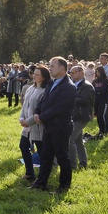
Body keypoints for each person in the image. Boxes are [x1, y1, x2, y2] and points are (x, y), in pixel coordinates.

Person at [30, 57, 76, 193]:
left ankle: (64, 186)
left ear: (62, 68)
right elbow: (43, 100)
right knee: (46, 156)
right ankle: (41, 183)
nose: (49, 68)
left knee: (62, 157)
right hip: (49, 126)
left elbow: (59, 108)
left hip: (60, 126)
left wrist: (41, 117)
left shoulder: (69, 87)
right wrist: (37, 112)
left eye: (52, 66)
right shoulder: (51, 83)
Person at [18, 65, 48, 181]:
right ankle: (29, 172)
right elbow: (25, 105)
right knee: (23, 146)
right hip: (26, 126)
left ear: (44, 77)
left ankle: (42, 176)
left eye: (37, 74)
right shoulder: (31, 88)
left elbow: (40, 110)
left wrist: (28, 121)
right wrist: (22, 119)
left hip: (38, 126)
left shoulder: (45, 91)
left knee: (41, 152)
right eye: (33, 74)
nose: (33, 76)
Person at [69, 65, 93, 169]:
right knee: (78, 141)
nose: (71, 74)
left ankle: (72, 165)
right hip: (74, 115)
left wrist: (70, 98)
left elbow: (85, 101)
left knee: (69, 140)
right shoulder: (73, 84)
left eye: (74, 71)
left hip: (81, 116)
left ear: (81, 72)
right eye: (71, 72)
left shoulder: (87, 86)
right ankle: (83, 163)